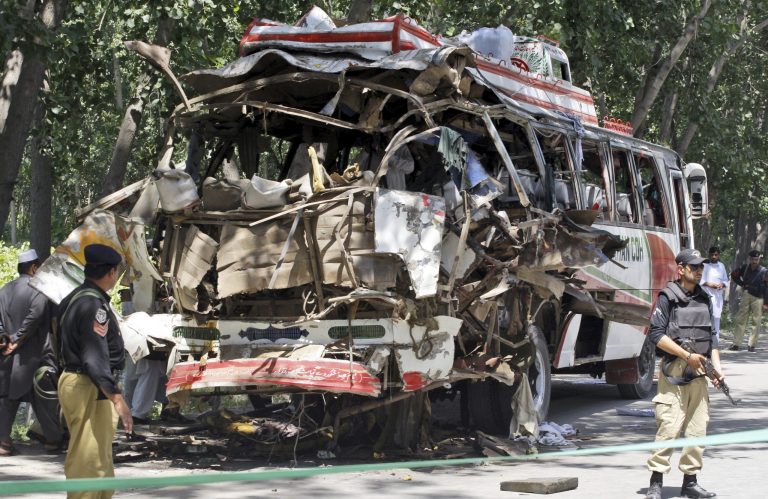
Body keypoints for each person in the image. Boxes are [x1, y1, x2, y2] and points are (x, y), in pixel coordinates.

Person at [643, 248, 722, 499]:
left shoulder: (705, 297)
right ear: (680, 269)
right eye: (694, 267)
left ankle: (690, 482)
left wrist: (717, 370)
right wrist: (687, 356)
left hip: (700, 370)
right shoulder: (667, 296)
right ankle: (656, 481)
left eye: (701, 267)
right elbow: (656, 335)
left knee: (698, 429)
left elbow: (712, 338)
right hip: (675, 369)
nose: (699, 271)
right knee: (669, 426)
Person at [57, 244, 132, 499]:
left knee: (99, 456)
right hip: (88, 383)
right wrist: (116, 397)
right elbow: (93, 356)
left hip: (86, 381)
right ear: (111, 272)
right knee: (88, 459)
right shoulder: (92, 305)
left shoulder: (77, 298)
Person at [0, 249, 63, 456]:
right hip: (37, 355)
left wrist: (6, 340)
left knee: (7, 399)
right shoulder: (38, 290)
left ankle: (3, 442)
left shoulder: (4, 290)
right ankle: (53, 440)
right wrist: (17, 339)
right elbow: (35, 315)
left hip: (8, 355)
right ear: (34, 268)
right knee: (45, 398)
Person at [730, 249, 768, 352]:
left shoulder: (764, 271)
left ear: (759, 259)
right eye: (752, 259)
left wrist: (766, 303)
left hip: (759, 297)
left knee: (756, 321)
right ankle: (736, 344)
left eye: (756, 259)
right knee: (741, 319)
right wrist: (742, 284)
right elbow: (734, 275)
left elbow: (767, 287)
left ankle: (752, 345)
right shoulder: (744, 268)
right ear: (750, 259)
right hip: (746, 294)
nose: (754, 261)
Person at [700, 246, 729, 341]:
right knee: (706, 318)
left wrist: (722, 284)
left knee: (716, 318)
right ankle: (705, 340)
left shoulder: (721, 266)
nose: (713, 257)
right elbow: (700, 281)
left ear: (719, 255)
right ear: (709, 255)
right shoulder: (704, 266)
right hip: (706, 296)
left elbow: (725, 280)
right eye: (712, 255)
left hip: (717, 297)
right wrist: (710, 284)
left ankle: (715, 341)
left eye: (716, 255)